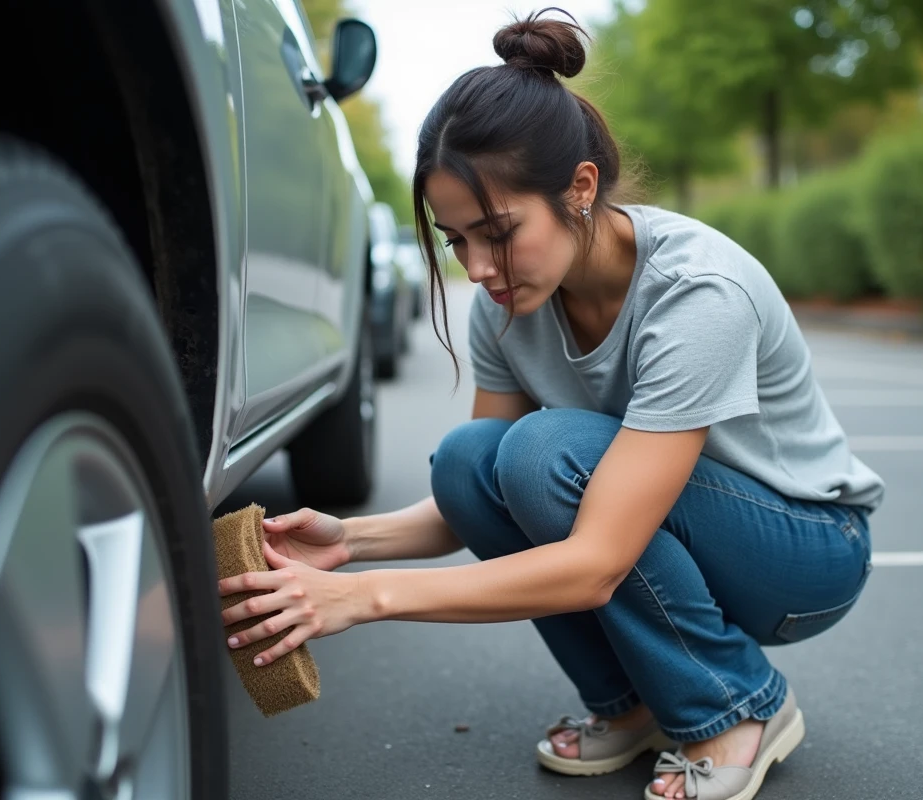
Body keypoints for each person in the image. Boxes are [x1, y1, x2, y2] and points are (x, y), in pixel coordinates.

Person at [217, 8, 884, 800]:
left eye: (498, 231)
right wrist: (350, 544)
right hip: (683, 531)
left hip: (806, 554)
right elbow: (474, 500)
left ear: (581, 188)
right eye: (457, 239)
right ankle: (634, 703)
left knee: (544, 452)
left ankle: (737, 706)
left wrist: (359, 601)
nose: (478, 266)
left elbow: (597, 560)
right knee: (470, 461)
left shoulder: (698, 292)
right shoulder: (503, 307)